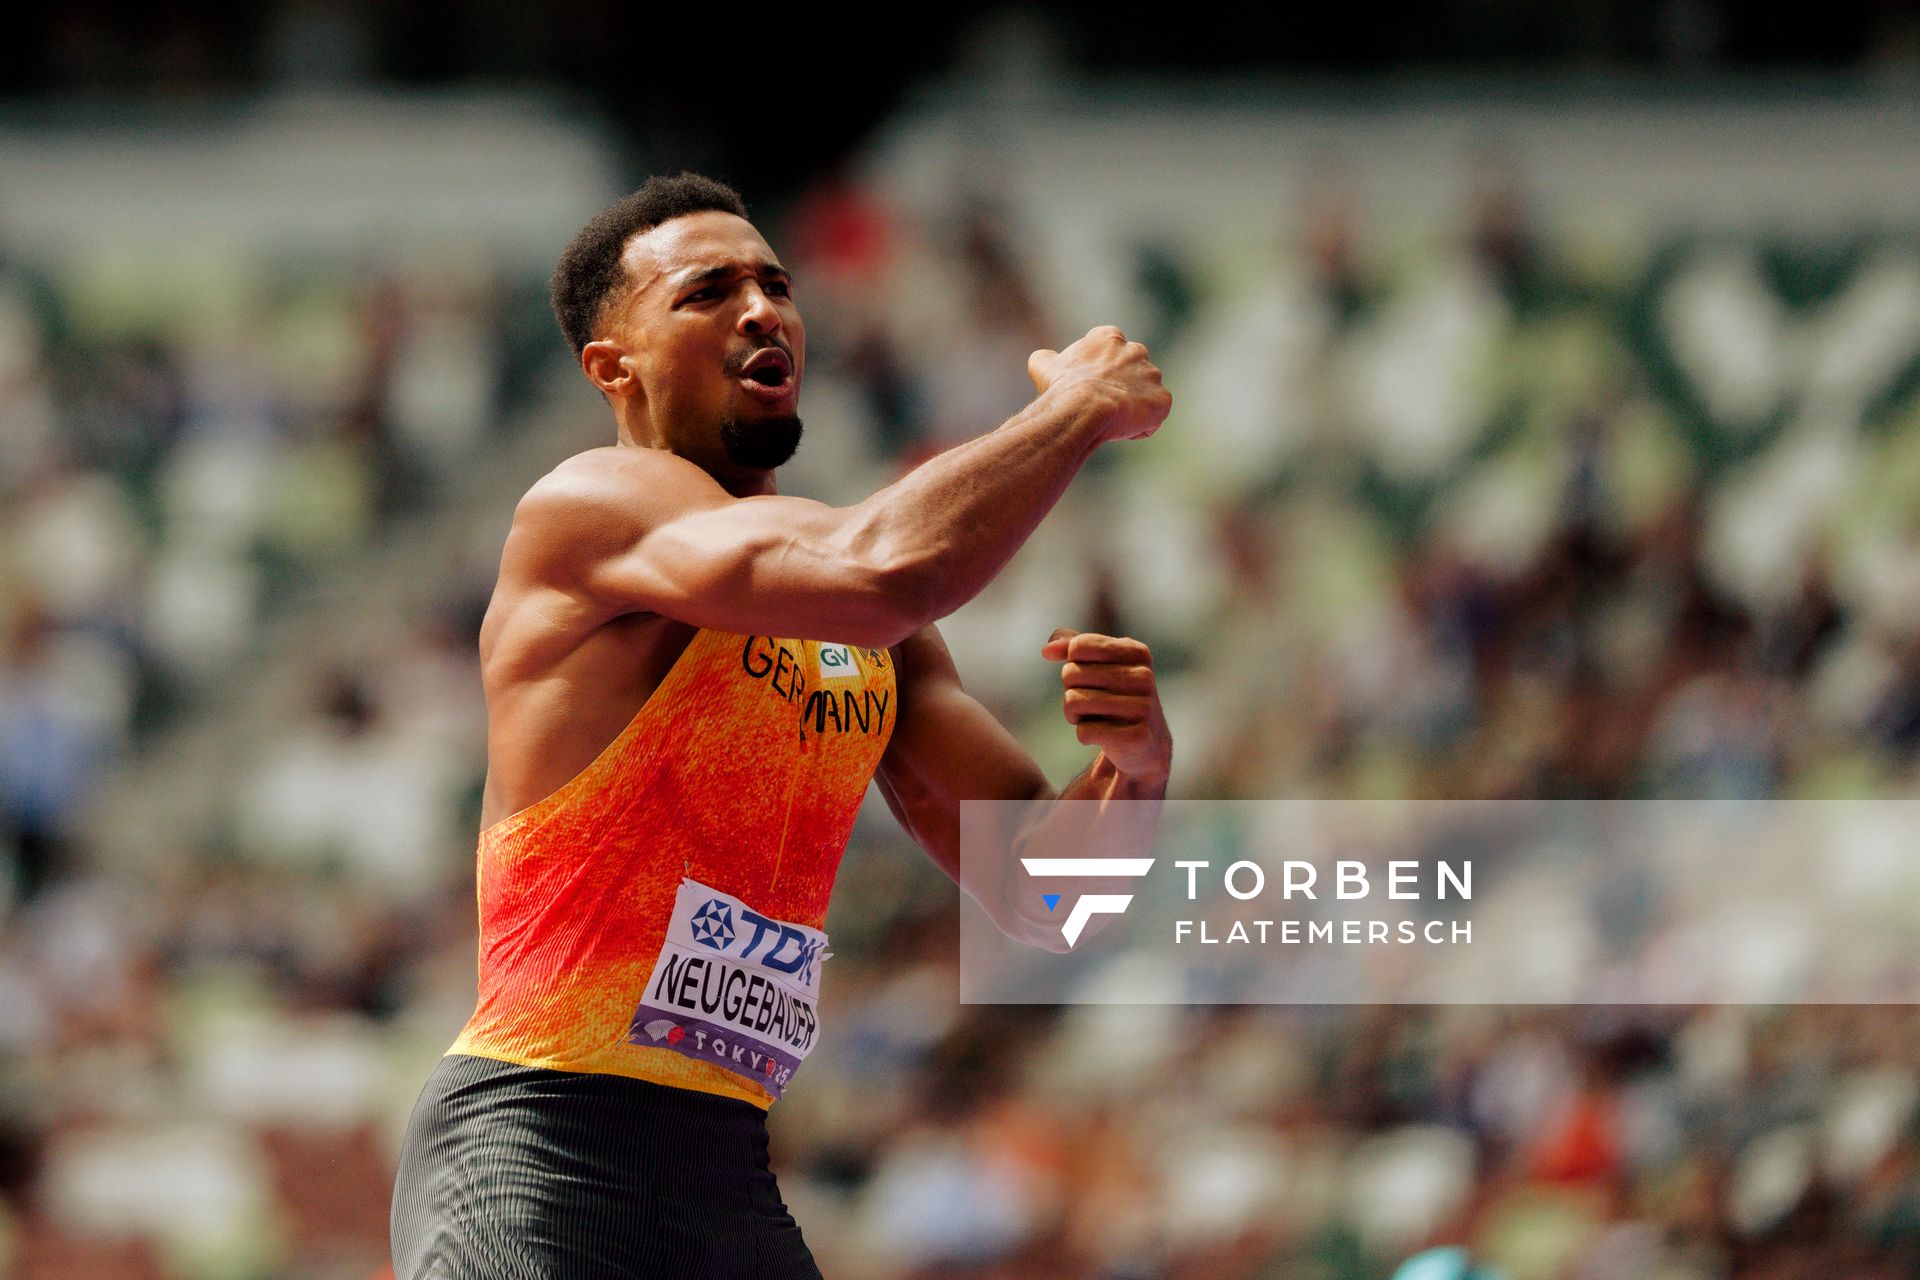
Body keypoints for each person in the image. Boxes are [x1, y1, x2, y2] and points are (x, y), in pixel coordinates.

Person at [389, 172, 1173, 1279]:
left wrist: (1137, 770)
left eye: (777, 284)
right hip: (541, 1144)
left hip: (726, 1165)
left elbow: (1053, 900)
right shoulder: (588, 508)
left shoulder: (858, 620)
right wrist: (1075, 407)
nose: (763, 308)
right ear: (612, 366)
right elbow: (889, 566)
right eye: (708, 291)